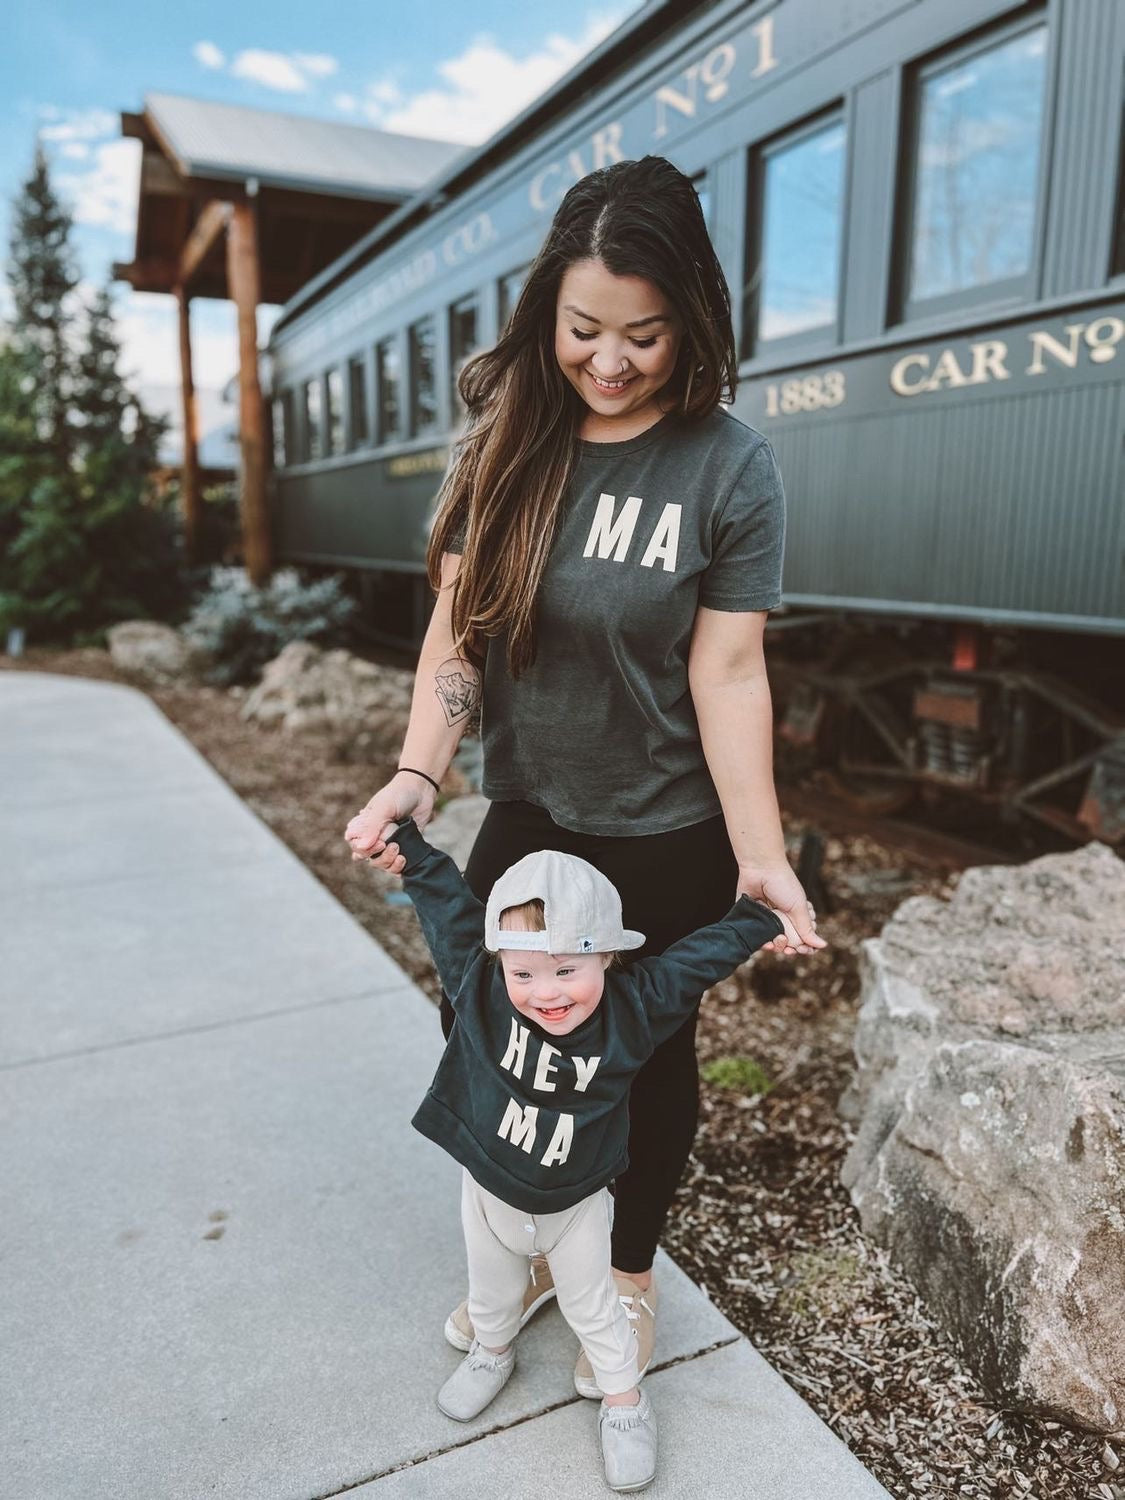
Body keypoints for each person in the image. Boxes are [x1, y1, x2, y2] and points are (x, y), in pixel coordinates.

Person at [344, 153, 826, 1399]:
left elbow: (728, 674)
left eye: (645, 336)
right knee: (499, 1036)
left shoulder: (728, 467)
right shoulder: (508, 445)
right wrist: (418, 774)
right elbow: (458, 633)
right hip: (529, 815)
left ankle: (621, 1271)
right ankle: (533, 1244)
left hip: (665, 832)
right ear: (547, 309)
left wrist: (761, 856)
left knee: (647, 1058)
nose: (609, 361)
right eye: (584, 329)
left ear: (693, 324)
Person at [385, 812, 786, 1492]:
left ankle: (625, 1405)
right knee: (490, 1291)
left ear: (608, 956)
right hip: (486, 1192)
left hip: (575, 1208)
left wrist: (761, 917)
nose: (546, 993)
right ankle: (492, 1351)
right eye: (525, 973)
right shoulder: (480, 986)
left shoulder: (633, 1009)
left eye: (567, 968)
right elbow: (448, 905)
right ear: (498, 962)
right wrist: (408, 843)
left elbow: (695, 961)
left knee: (596, 1310)